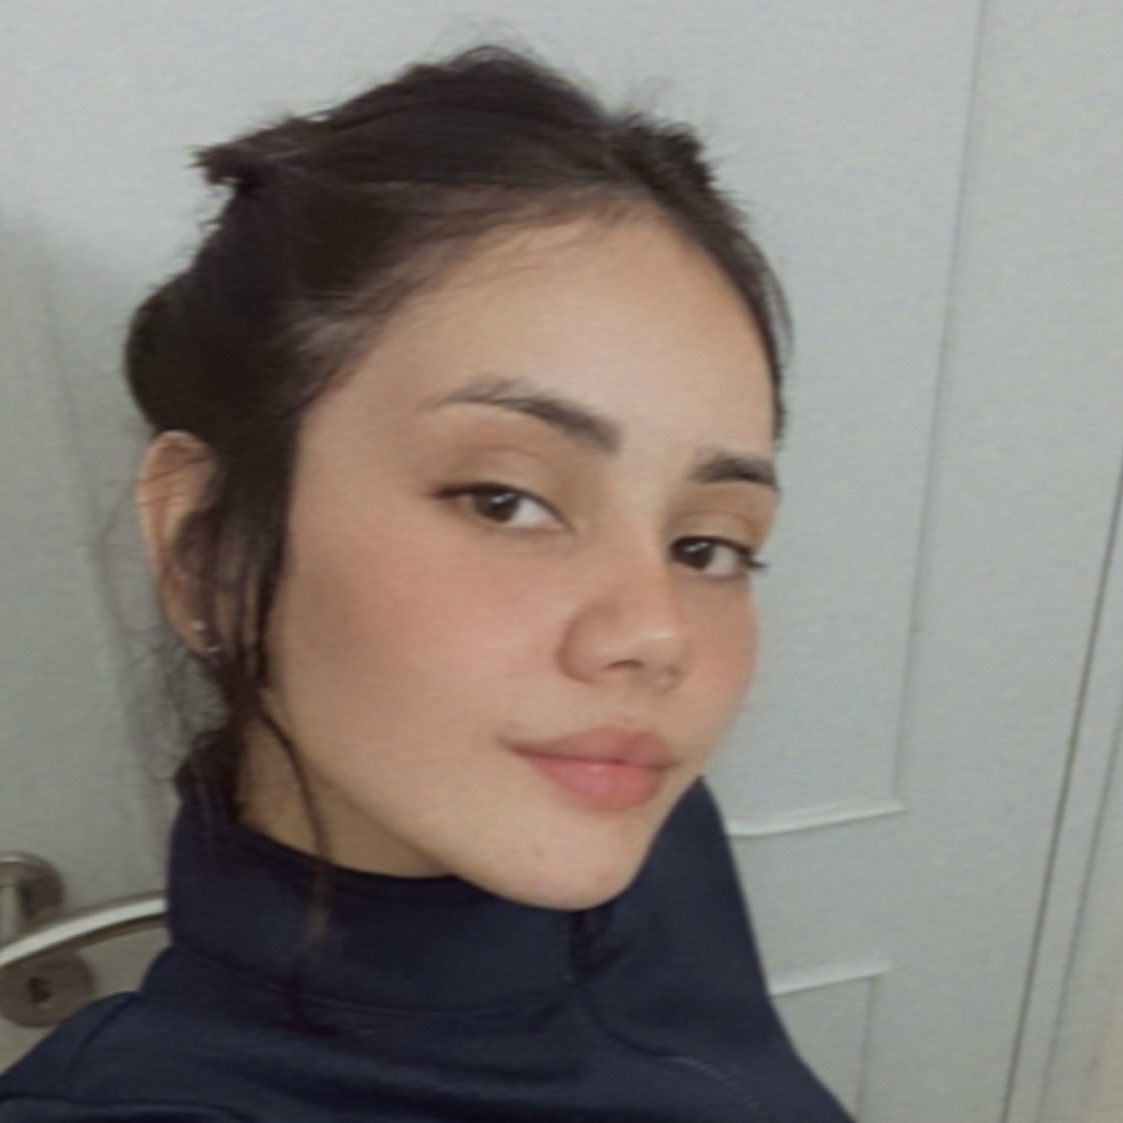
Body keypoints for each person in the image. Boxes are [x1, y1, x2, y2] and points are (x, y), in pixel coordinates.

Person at [0, 42, 853, 1121]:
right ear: (208, 547)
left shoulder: (627, 806)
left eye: (707, 546)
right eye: (504, 498)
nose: (656, 634)